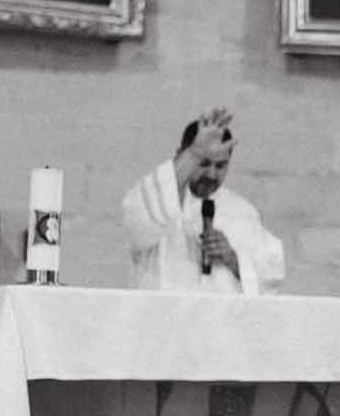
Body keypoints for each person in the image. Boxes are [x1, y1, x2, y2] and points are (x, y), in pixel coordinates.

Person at [122, 108, 285, 295]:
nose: (211, 174)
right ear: (181, 155)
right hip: (163, 319)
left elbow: (271, 278)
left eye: (221, 166)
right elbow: (136, 223)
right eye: (204, 163)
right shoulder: (156, 193)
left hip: (220, 322)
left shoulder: (243, 211)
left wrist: (233, 259)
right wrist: (194, 153)